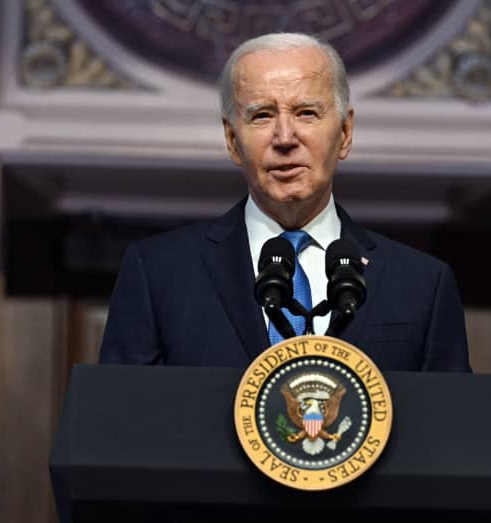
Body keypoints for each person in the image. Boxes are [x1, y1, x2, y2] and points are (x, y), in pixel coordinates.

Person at [99, 33, 471, 372]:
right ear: (232, 141)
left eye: (306, 113)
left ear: (345, 133)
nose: (285, 137)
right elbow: (119, 416)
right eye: (262, 115)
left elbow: (451, 419)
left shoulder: (422, 284)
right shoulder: (158, 274)